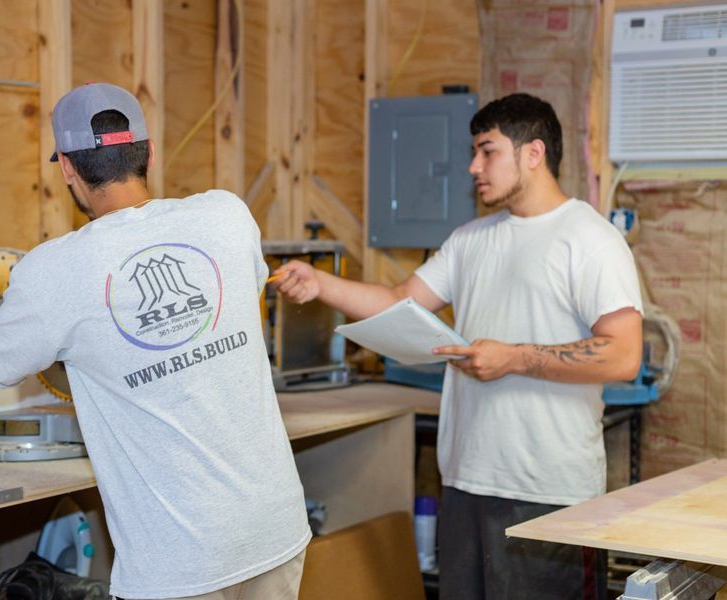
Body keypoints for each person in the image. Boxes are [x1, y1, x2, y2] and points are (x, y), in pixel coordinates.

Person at [0, 83, 311, 600]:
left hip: (179, 566)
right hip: (276, 532)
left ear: (68, 170)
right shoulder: (228, 215)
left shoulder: (54, 269)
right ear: (148, 153)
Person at [274, 93, 643, 599]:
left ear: (533, 153)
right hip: (466, 479)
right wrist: (320, 284)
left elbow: (623, 355)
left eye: (487, 151)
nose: (473, 166)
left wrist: (513, 357)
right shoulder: (470, 239)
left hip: (547, 492)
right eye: (474, 152)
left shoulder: (590, 239)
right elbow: (400, 300)